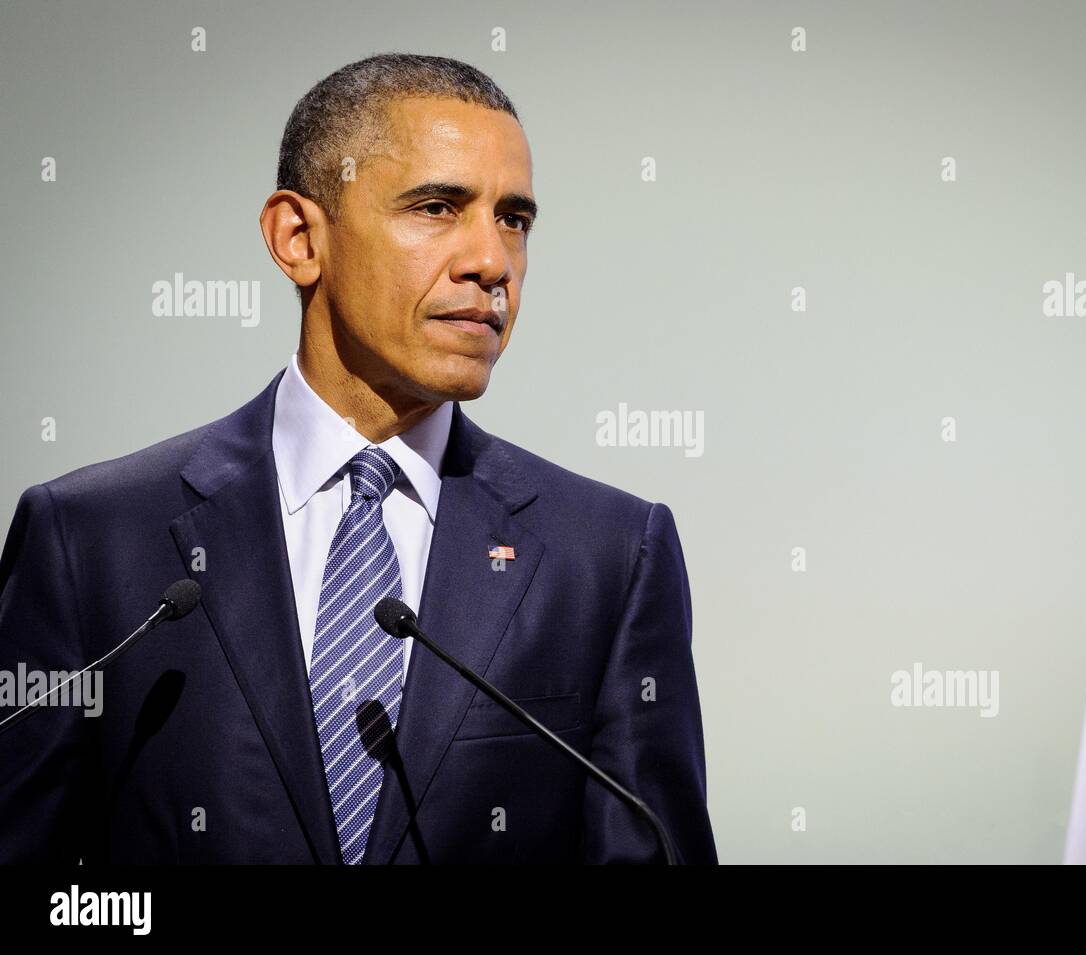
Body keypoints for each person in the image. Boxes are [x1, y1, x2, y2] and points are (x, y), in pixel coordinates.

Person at [0, 53, 717, 864]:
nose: (491, 262)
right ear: (298, 237)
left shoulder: (611, 555)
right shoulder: (90, 540)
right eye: (438, 207)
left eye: (514, 219)